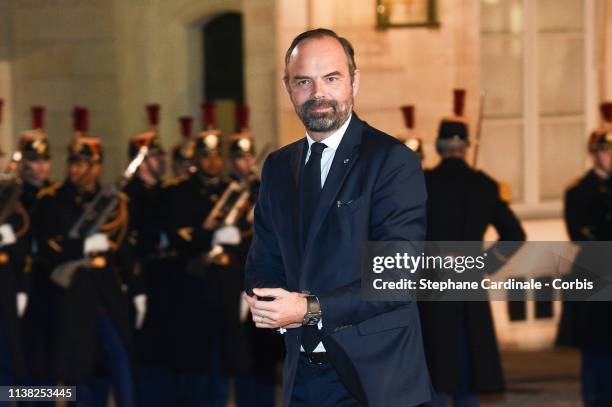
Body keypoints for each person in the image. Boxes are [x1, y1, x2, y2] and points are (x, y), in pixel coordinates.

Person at [243, 28, 431, 407]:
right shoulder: (279, 167)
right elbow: (264, 257)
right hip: (301, 374)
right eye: (304, 81)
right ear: (288, 88)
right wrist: (265, 299)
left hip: (375, 379)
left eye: (331, 78)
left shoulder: (392, 162)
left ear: (354, 82)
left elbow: (396, 277)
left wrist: (309, 308)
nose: (318, 94)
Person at [419, 90, 526, 407]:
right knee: (468, 375)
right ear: (466, 148)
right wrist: (485, 265)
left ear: (438, 146)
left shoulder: (423, 184)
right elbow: (515, 234)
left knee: (435, 375)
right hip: (468, 287)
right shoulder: (484, 185)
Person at [35, 110, 143, 407]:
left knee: (120, 366)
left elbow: (124, 250)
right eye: (72, 162)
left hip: (107, 292)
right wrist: (81, 247)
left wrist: (137, 289)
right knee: (77, 372)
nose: (75, 170)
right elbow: (49, 248)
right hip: (74, 294)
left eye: (83, 163)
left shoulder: (114, 203)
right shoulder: (52, 199)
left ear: (97, 167)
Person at [164, 129, 250, 406]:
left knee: (225, 364)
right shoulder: (180, 192)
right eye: (206, 157)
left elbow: (251, 237)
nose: (212, 163)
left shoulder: (233, 190)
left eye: (217, 157)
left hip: (228, 282)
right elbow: (180, 236)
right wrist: (211, 237)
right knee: (196, 366)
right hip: (196, 286)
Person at [556, 104, 612, 407]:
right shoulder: (579, 191)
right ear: (594, 154)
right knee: (596, 362)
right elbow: (582, 235)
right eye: (606, 151)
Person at [123, 130, 176, 407]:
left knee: (168, 353)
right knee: (146, 354)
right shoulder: (130, 195)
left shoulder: (164, 191)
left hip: (167, 278)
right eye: (154, 157)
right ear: (140, 161)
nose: (161, 161)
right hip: (143, 277)